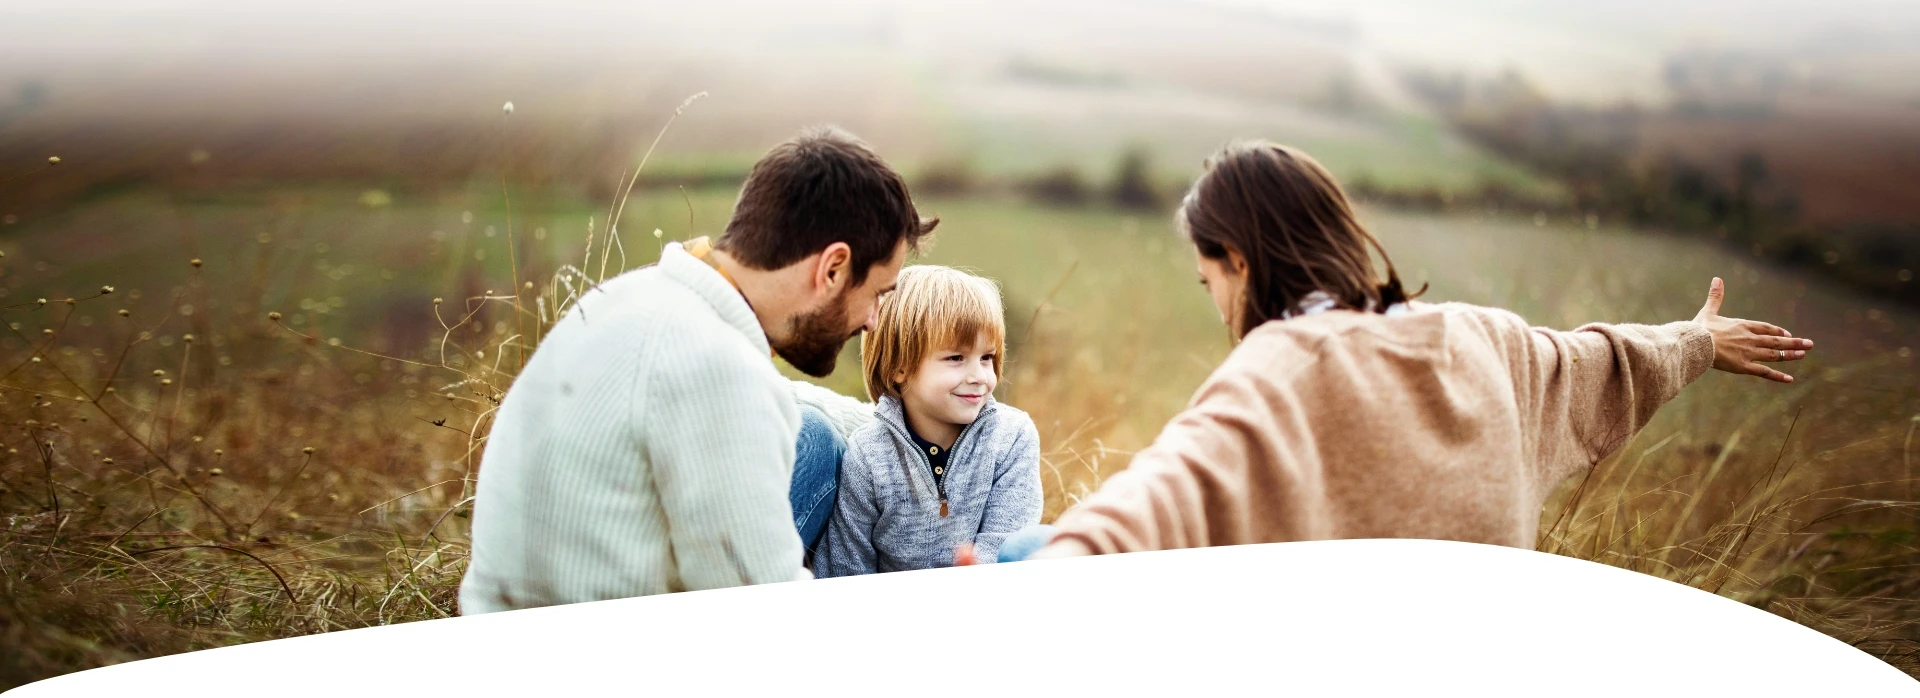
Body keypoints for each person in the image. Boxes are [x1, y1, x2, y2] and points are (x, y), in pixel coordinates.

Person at [1002, 140, 1812, 561]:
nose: (1210, 301)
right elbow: (1609, 361)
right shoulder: (1485, 340)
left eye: (1207, 277)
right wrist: (1698, 341)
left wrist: (1045, 573)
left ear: (1241, 263)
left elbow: (1161, 497)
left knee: (1023, 547)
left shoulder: (1281, 364)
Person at [459, 126, 934, 613]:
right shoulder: (718, 369)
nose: (875, 320)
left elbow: (777, 400)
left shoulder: (641, 299)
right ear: (832, 268)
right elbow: (759, 612)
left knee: (813, 434)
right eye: (878, 293)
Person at [814, 266, 1043, 576]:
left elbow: (1006, 548)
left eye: (986, 357)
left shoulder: (1011, 438)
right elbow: (847, 566)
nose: (979, 377)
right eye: (956, 358)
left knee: (1038, 543)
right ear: (900, 367)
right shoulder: (869, 455)